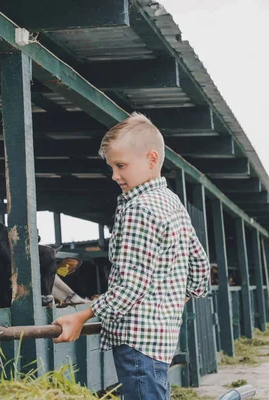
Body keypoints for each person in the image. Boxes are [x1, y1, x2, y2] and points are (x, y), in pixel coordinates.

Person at [52, 112, 210, 399]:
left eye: (121, 165)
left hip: (137, 342)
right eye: (112, 166)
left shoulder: (138, 209)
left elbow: (131, 285)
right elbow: (199, 267)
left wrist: (81, 316)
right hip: (161, 340)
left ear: (151, 159)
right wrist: (170, 303)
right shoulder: (171, 202)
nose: (114, 175)